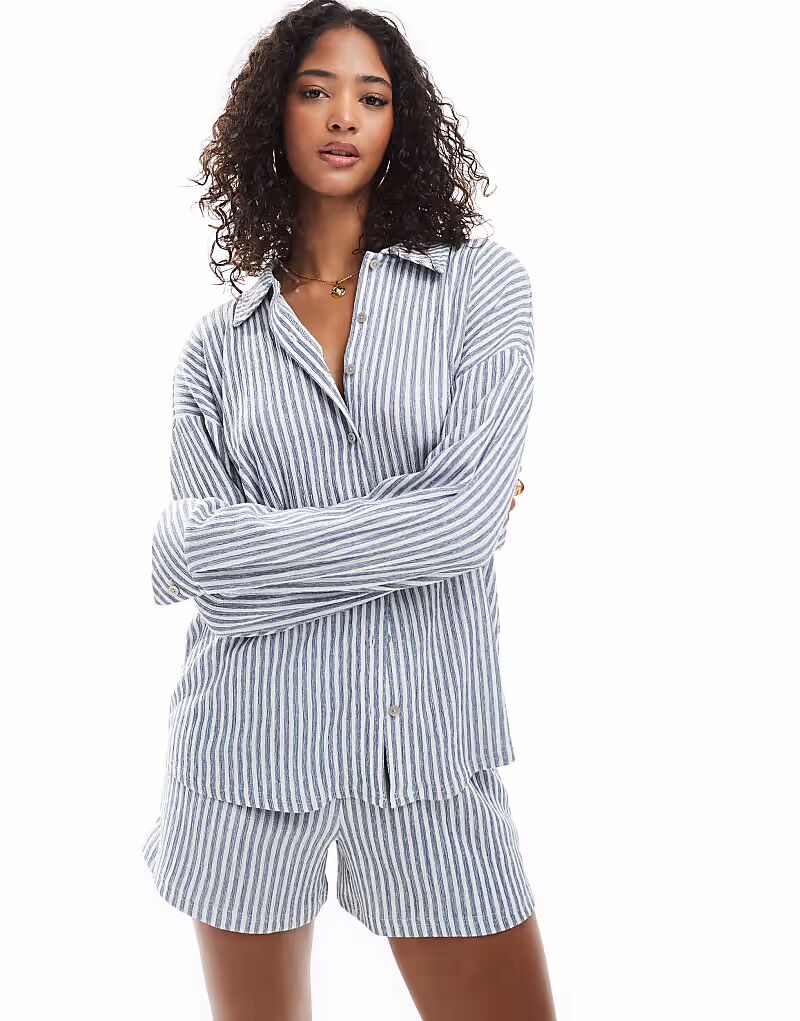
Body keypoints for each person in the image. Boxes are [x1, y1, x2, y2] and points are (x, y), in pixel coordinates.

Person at [142, 2, 558, 1018]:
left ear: (398, 121)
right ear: (273, 115)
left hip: (427, 752)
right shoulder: (216, 350)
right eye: (315, 91)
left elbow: (461, 526)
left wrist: (244, 547)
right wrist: (428, 522)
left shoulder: (480, 288)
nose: (342, 117)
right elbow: (204, 577)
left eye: (370, 97)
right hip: (244, 751)